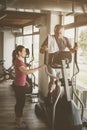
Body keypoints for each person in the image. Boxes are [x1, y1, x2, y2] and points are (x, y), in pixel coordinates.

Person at [40, 24, 77, 103]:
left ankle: (56, 98)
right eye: (57, 32)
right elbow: (41, 51)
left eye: (60, 33)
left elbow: (71, 50)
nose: (58, 34)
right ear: (54, 31)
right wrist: (44, 49)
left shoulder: (66, 39)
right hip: (51, 63)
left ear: (63, 32)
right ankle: (49, 95)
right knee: (53, 80)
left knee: (60, 82)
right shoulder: (50, 38)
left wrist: (74, 49)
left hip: (61, 64)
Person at [12, 45, 45, 128]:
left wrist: (25, 81)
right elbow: (26, 72)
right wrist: (39, 68)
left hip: (19, 84)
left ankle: (18, 119)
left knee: (19, 103)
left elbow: (20, 74)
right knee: (20, 103)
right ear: (19, 52)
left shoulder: (19, 60)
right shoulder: (19, 62)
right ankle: (18, 122)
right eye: (24, 51)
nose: (25, 52)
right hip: (19, 86)